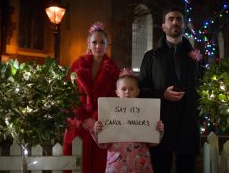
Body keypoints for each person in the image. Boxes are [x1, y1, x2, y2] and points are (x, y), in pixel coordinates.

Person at [139, 6, 202, 173]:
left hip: (188, 122)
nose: (175, 22)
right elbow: (141, 89)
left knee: (187, 168)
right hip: (161, 123)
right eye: (171, 19)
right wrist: (162, 94)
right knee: (160, 167)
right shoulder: (151, 56)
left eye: (179, 19)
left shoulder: (195, 58)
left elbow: (203, 86)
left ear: (184, 25)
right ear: (164, 26)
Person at [63, 22, 120, 173]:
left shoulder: (113, 70)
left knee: (98, 166)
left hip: (100, 126)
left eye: (102, 42)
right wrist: (82, 119)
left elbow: (114, 98)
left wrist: (95, 119)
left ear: (107, 44)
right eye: (94, 42)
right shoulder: (77, 66)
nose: (98, 46)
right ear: (88, 43)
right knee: (75, 165)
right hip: (77, 125)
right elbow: (69, 94)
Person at [91, 69, 164, 173]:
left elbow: (152, 143)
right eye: (123, 89)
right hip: (117, 165)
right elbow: (103, 145)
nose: (127, 92)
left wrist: (159, 130)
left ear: (138, 91)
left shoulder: (147, 112)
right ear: (117, 92)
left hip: (141, 163)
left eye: (131, 89)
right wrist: (97, 131)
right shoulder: (108, 113)